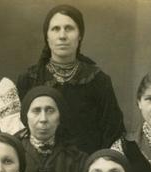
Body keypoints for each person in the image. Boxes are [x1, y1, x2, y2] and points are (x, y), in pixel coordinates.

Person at [16, 4, 124, 155]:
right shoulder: (29, 79)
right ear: (47, 36)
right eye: (55, 29)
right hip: (39, 168)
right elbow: (19, 130)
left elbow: (112, 132)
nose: (62, 36)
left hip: (86, 168)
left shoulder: (98, 80)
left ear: (80, 35)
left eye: (69, 28)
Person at [19, 85, 87, 172]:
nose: (43, 119)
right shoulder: (12, 154)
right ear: (26, 116)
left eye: (50, 111)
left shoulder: (77, 160)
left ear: (60, 117)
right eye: (36, 111)